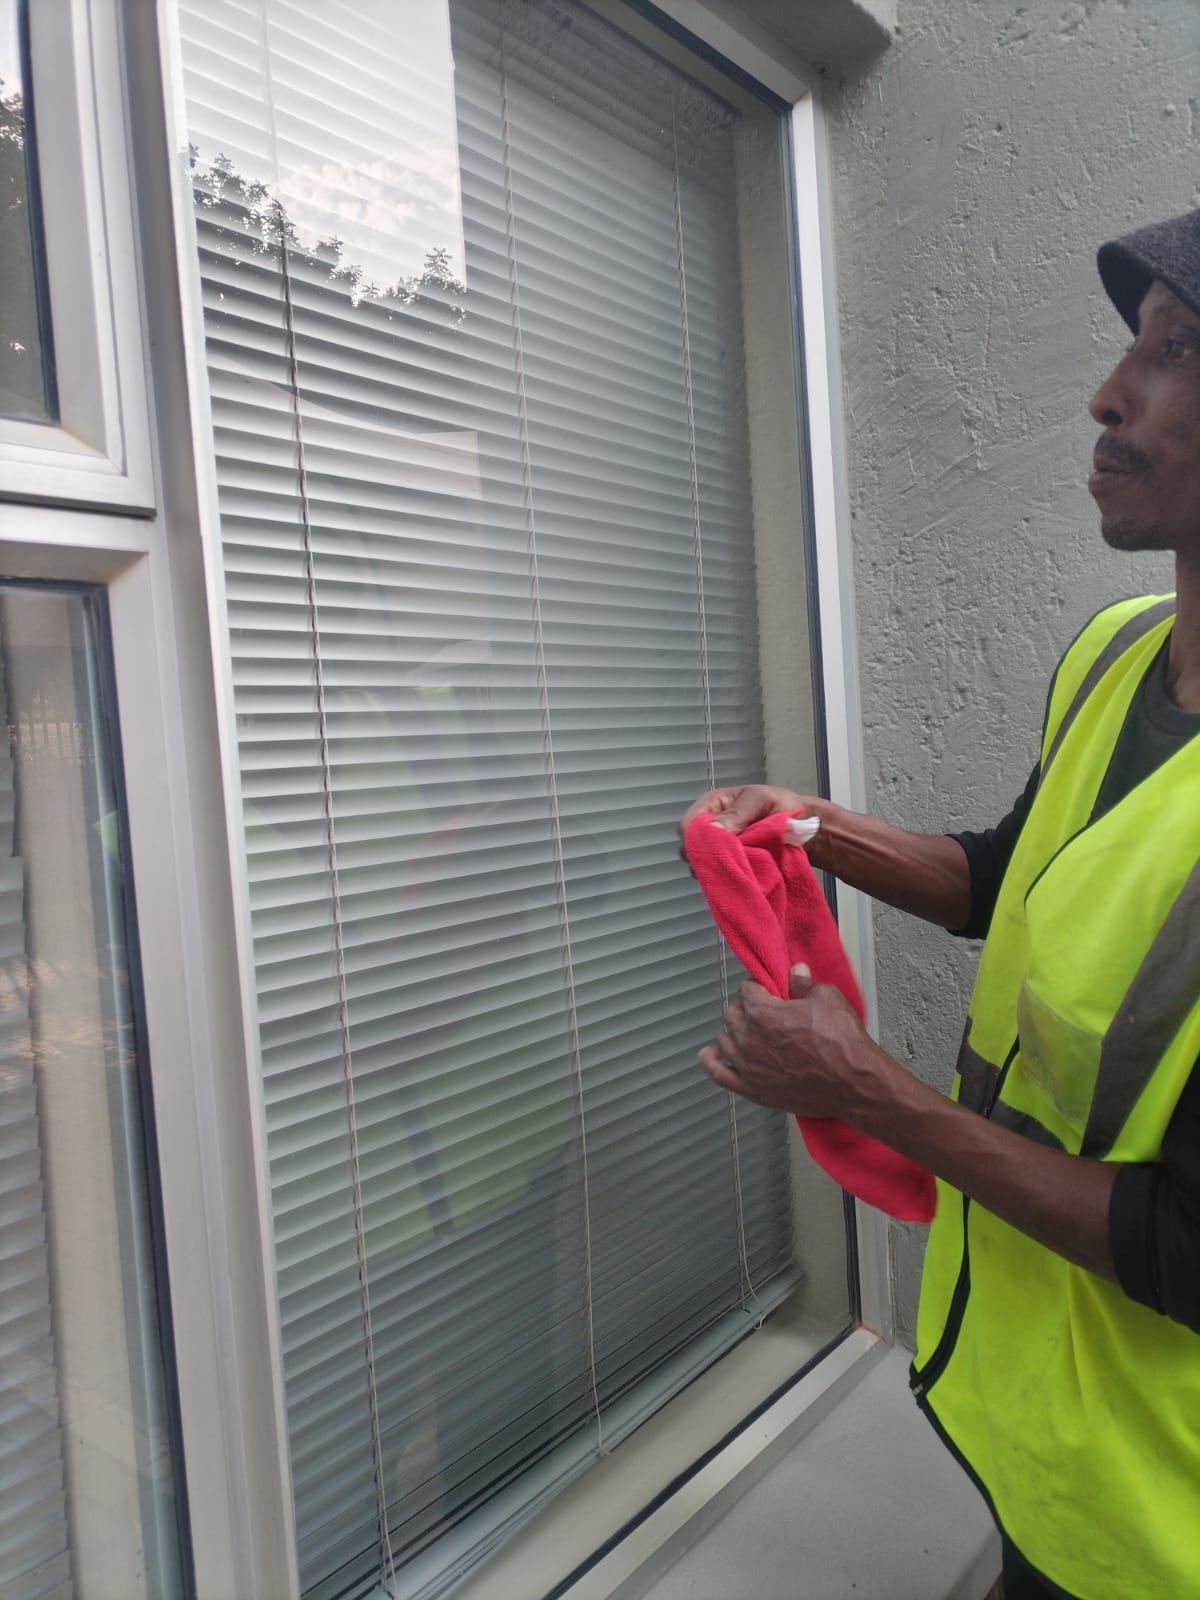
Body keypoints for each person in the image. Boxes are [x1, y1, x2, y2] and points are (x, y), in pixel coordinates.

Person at [678, 209, 1200, 1600]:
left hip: (1162, 1526)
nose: (1109, 394)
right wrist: (812, 829)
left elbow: (1187, 1245)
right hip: (1037, 1443)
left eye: (1177, 350)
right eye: (1132, 345)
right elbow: (1009, 873)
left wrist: (868, 1092)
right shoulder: (1120, 651)